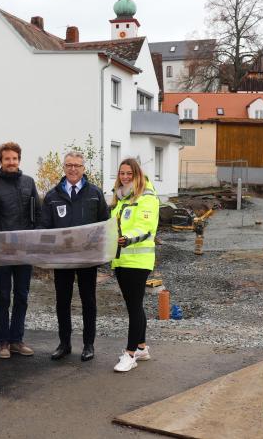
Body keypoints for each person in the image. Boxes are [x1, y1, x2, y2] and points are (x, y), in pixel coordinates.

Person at [39, 151, 110, 362]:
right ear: (64, 167)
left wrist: (100, 250)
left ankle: (89, 344)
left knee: (88, 300)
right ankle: (64, 343)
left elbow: (104, 225)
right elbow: (45, 228)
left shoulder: (95, 194)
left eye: (77, 165)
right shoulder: (52, 196)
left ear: (83, 169)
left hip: (87, 259)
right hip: (62, 260)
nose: (73, 169)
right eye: (69, 165)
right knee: (62, 301)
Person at [0, 142, 41, 359]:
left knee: (22, 296)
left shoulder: (29, 182)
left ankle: (17, 339)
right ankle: (3, 343)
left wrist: (35, 235)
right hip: (4, 250)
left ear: (19, 160)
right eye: (7, 159)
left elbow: (37, 210)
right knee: (2, 296)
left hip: (25, 249)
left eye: (14, 158)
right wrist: (2, 240)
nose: (11, 162)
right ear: (0, 161)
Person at [109, 158, 159, 373]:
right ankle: (141, 347)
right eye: (122, 173)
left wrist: (127, 238)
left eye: (129, 173)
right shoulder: (121, 199)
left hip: (138, 261)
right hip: (121, 260)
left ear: (137, 174)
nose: (125, 177)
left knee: (134, 306)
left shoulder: (146, 197)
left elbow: (145, 227)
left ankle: (130, 354)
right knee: (134, 305)